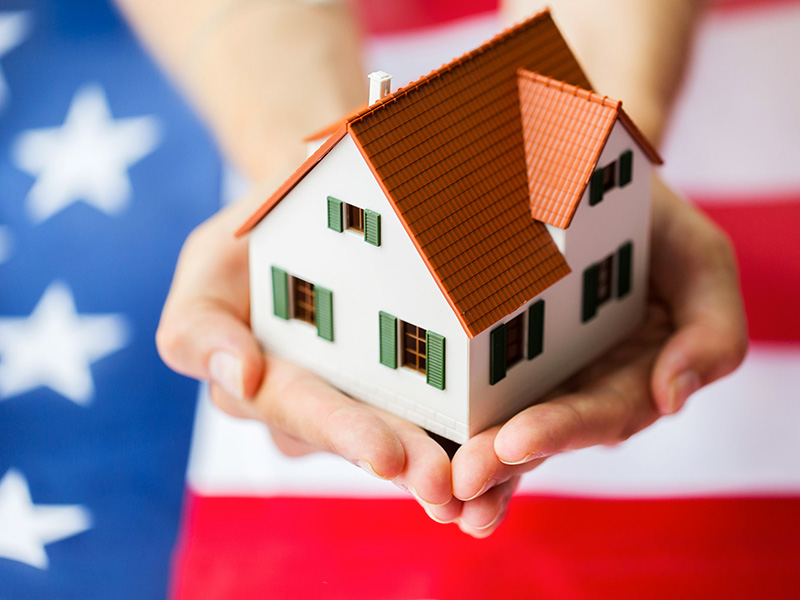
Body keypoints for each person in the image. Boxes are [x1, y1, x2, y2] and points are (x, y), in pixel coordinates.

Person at [115, 0, 747, 537]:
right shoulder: (400, 188)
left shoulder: (548, 180)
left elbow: (560, 137)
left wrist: (602, 93)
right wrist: (297, 154)